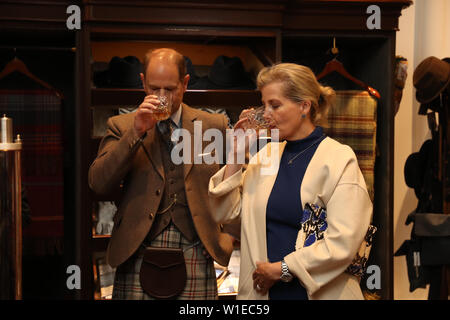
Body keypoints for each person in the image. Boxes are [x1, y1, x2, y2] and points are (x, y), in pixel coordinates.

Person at [208, 63, 373, 300]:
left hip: (321, 293)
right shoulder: (265, 157)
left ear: (304, 106)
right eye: (264, 105)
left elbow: (344, 242)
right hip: (263, 293)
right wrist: (236, 153)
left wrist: (283, 268)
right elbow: (228, 216)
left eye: (275, 105)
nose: (265, 114)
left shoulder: (338, 159)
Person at [89, 48, 235, 300]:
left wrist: (227, 238)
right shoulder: (121, 126)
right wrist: (135, 133)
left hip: (196, 249)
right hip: (137, 250)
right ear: (143, 81)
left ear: (185, 83)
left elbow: (236, 187)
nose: (161, 96)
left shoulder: (213, 126)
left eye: (170, 89)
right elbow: (98, 183)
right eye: (154, 88)